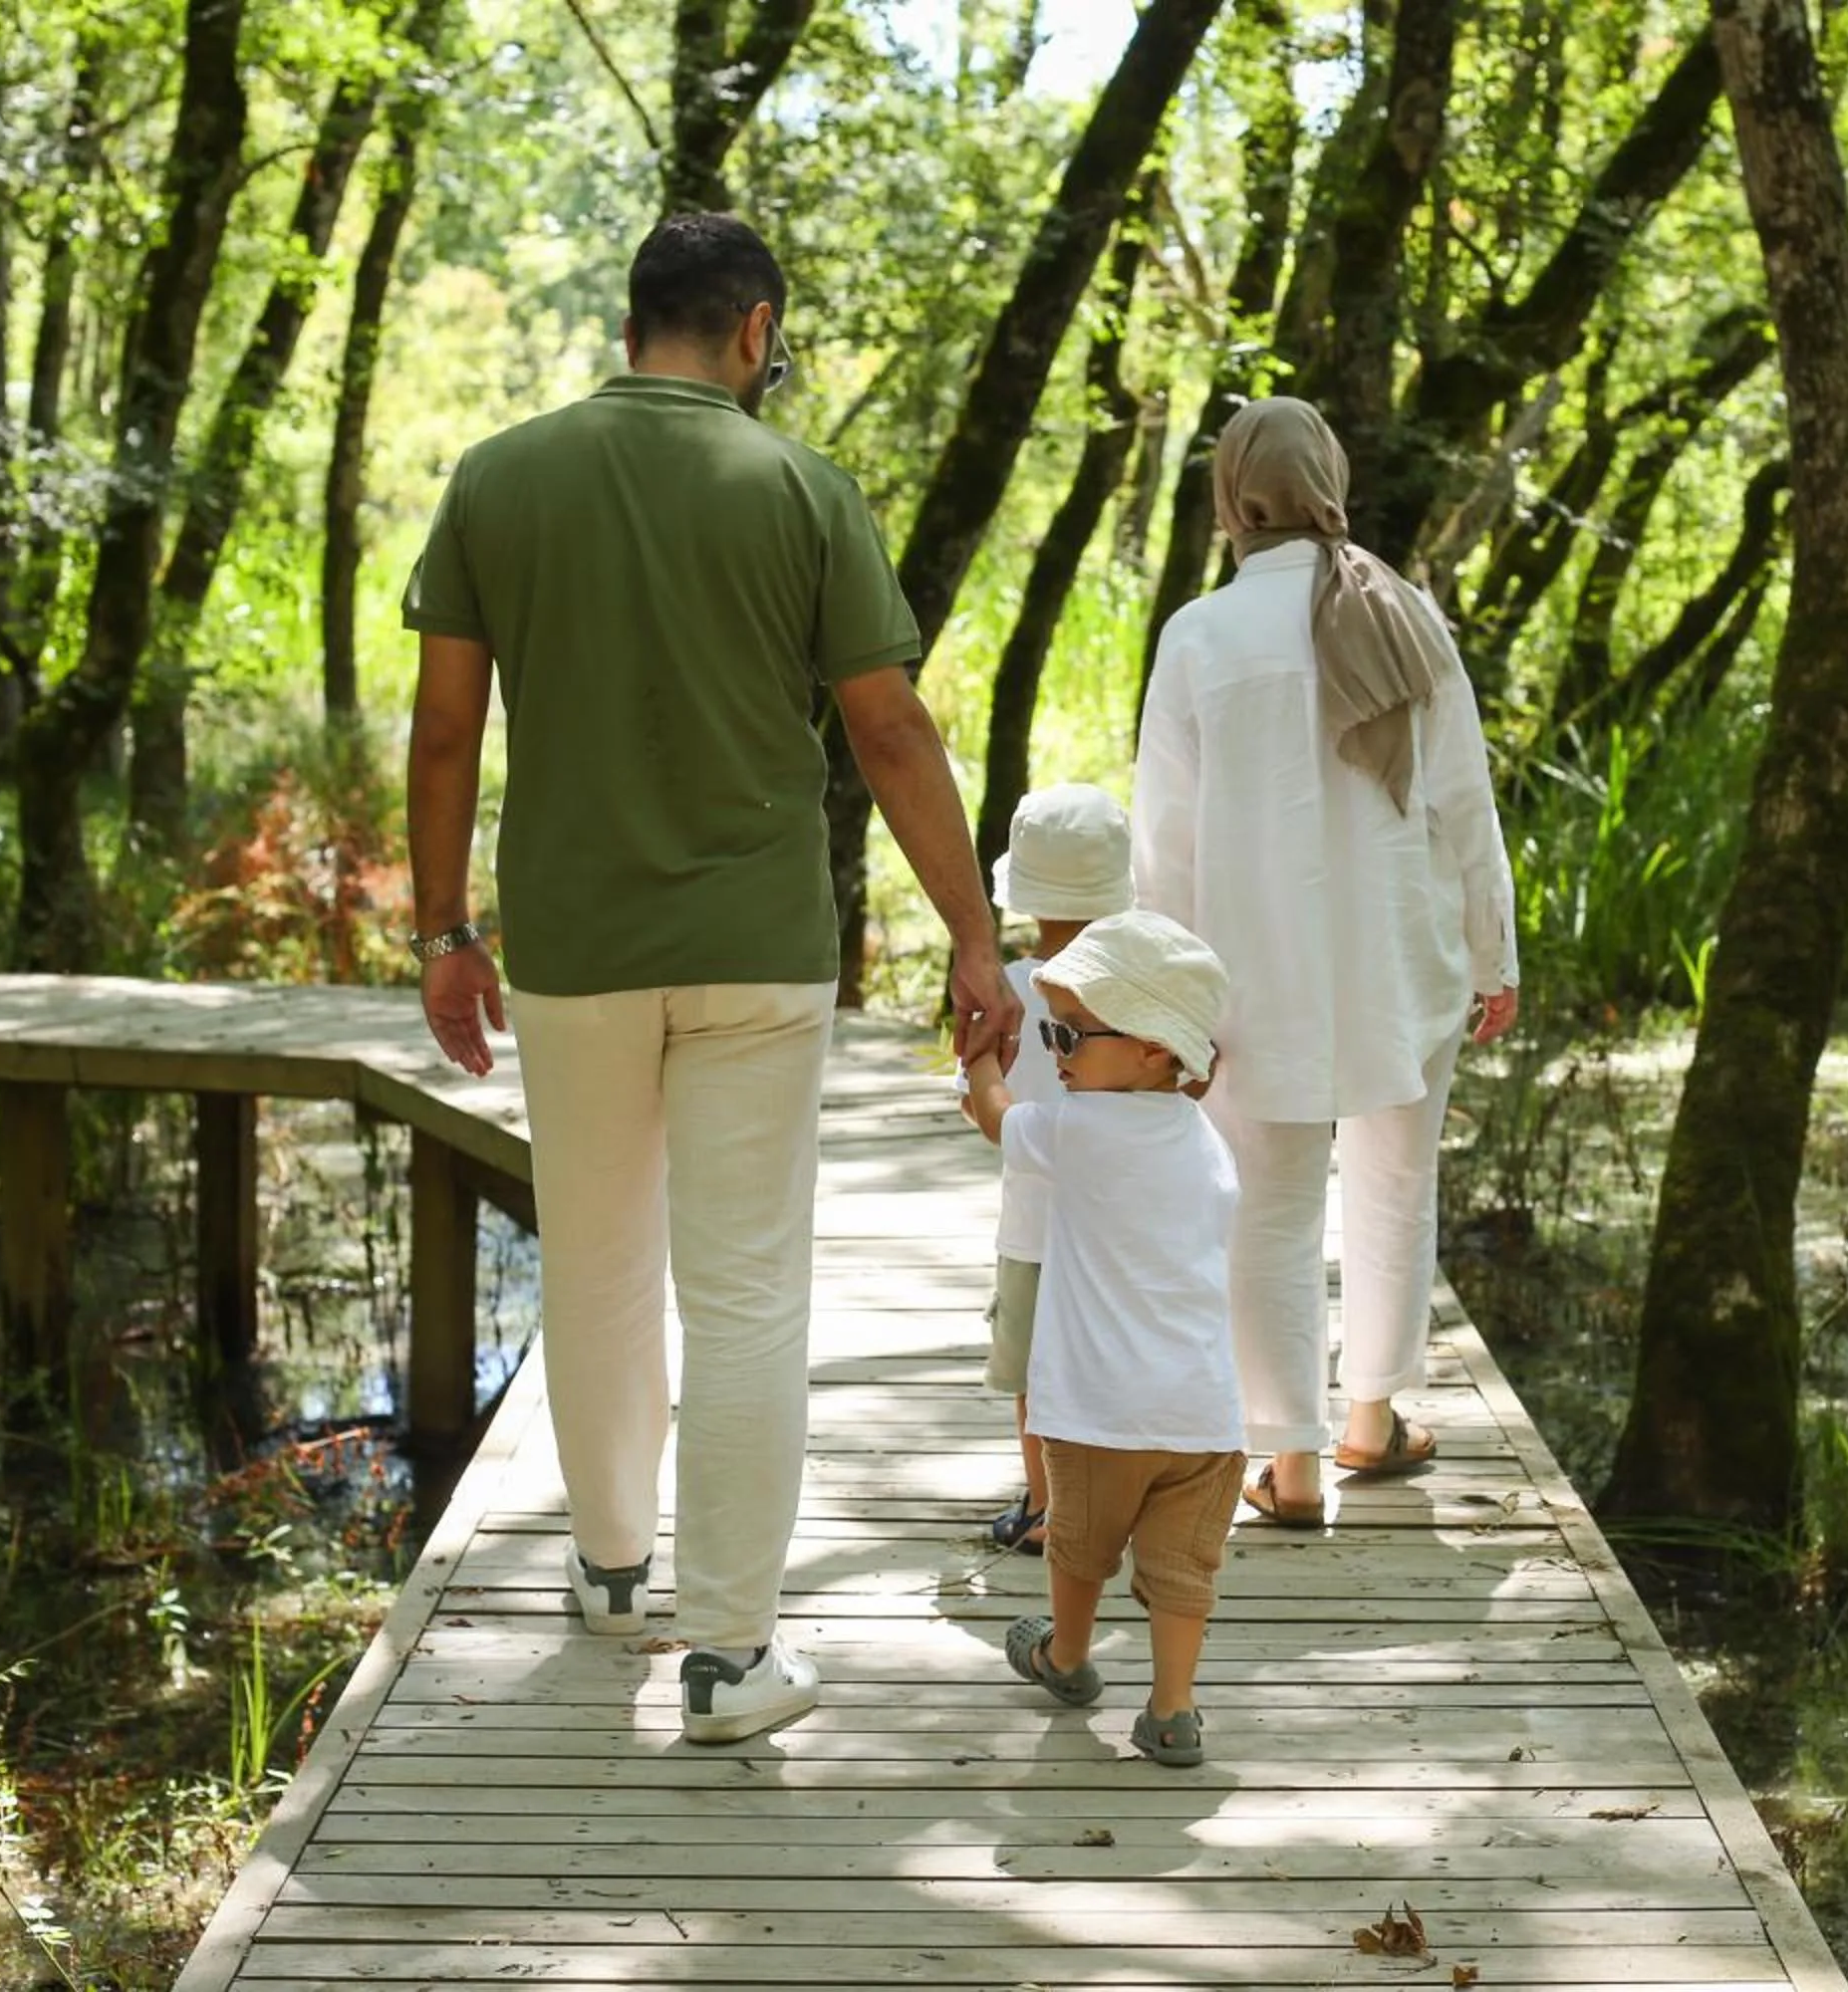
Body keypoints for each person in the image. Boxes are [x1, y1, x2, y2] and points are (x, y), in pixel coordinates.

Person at [402, 213, 1020, 1746]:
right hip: (755, 951)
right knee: (743, 1292)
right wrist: (975, 933)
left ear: (633, 327)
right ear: (755, 334)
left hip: (572, 950)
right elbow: (888, 734)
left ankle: (613, 1576)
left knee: (600, 1262)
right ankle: (733, 1660)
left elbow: (442, 731)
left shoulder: (500, 478)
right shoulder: (799, 487)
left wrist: (440, 934)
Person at [1134, 394, 1519, 1530]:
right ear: (1331, 481)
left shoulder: (1200, 635)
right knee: (1397, 1184)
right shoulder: (1406, 613)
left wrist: (1165, 1001)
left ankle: (1289, 1459)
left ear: (1231, 495)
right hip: (1407, 962)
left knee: (1270, 1206)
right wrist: (1494, 954)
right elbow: (1466, 807)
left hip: (1254, 975)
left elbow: (1166, 841)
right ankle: (1375, 1417)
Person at [958, 909, 1243, 1768]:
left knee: (1080, 1546)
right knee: (1182, 1570)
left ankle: (1069, 1658)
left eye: (1070, 1037)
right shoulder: (1207, 1143)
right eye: (1051, 1037)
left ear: (1156, 1048)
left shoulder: (1081, 1133)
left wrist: (981, 1055)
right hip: (1205, 1417)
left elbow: (995, 1119)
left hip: (1099, 1412)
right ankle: (1172, 1709)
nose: (1058, 1056)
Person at [971, 783, 1138, 1558]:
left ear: (1025, 897)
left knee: (1037, 1377)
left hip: (1035, 1230)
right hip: (1125, 1230)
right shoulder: (1142, 990)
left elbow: (984, 1114)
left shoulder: (1009, 989)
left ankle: (1045, 1509)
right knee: (1111, 1363)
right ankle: (1118, 1504)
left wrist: (978, 1067)